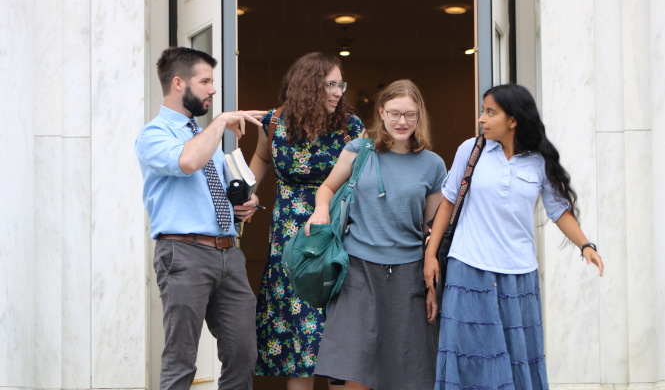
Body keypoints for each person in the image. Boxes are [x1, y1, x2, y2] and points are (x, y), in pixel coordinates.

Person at [424, 84, 605, 390]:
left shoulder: (538, 161)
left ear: (513, 120)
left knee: (517, 355)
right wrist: (430, 256)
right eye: (483, 110)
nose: (482, 118)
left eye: (490, 112)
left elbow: (559, 210)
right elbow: (449, 202)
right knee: (469, 355)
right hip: (468, 266)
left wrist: (585, 245)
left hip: (519, 273)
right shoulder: (470, 151)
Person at [135, 47, 266, 390]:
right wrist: (221, 120)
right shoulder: (154, 135)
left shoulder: (209, 144)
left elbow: (222, 194)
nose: (212, 89)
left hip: (229, 255)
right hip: (183, 254)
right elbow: (187, 162)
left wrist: (245, 203)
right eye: (205, 81)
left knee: (243, 354)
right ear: (178, 83)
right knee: (181, 360)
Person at [310, 79, 447, 390]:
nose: (402, 122)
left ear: (419, 116)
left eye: (410, 115)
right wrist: (320, 210)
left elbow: (430, 230)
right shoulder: (358, 151)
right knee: (357, 368)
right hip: (358, 271)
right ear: (381, 112)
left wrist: (430, 288)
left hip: (408, 274)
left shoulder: (434, 166)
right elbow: (328, 188)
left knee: (406, 370)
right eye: (395, 113)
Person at [248, 52, 366, 389]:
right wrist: (247, 195)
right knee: (295, 340)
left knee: (336, 336)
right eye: (331, 84)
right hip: (290, 242)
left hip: (335, 237)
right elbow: (261, 156)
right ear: (309, 86)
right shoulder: (274, 123)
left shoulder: (350, 127)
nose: (338, 91)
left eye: (340, 84)